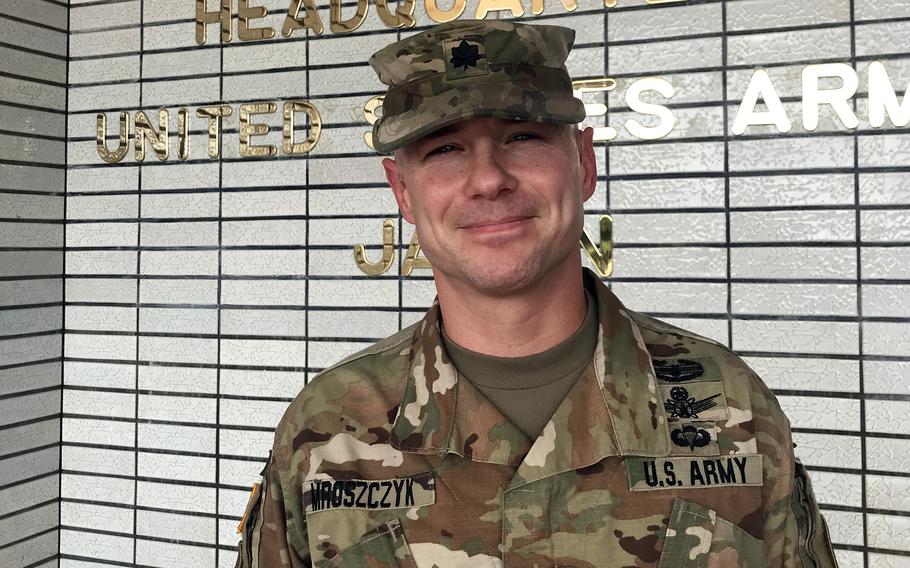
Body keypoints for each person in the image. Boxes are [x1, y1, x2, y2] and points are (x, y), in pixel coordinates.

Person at [235, 19, 839, 568]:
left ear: (583, 162)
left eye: (522, 136)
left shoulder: (729, 405)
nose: (490, 179)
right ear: (402, 191)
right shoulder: (327, 429)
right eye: (445, 149)